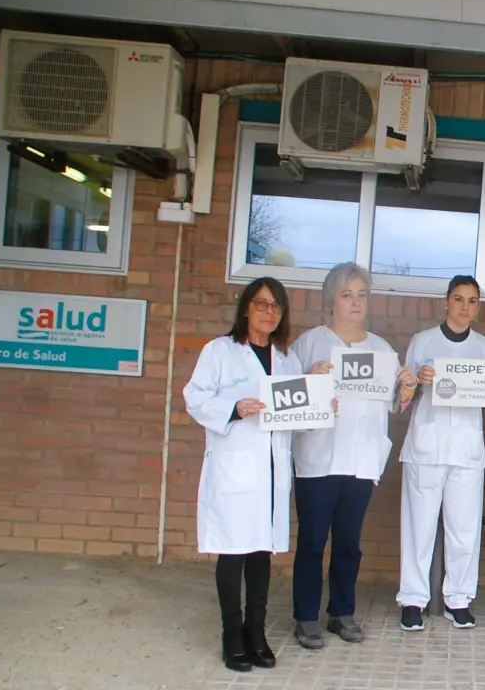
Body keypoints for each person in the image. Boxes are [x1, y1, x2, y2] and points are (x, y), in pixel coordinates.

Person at [287, 263, 416, 649]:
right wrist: (309, 378)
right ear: (331, 301)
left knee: (348, 541)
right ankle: (305, 616)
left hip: (361, 459)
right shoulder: (309, 344)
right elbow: (288, 399)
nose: (356, 302)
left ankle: (341, 612)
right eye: (347, 295)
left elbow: (396, 405)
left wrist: (407, 387)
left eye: (362, 294)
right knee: (312, 541)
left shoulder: (381, 350)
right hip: (318, 459)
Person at [184, 277, 300, 673]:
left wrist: (320, 404)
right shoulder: (219, 351)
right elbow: (194, 397)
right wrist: (234, 409)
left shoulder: (286, 359)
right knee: (233, 551)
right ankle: (231, 634)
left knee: (261, 552)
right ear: (246, 308)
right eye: (262, 304)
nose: (269, 312)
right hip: (234, 467)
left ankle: (256, 632)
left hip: (271, 470)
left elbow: (295, 411)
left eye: (276, 306)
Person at [396, 276, 485, 631]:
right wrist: (417, 379)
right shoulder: (423, 340)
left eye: (472, 301)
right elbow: (404, 395)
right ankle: (413, 599)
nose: (465, 306)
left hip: (466, 449)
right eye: (458, 299)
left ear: (478, 307)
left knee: (464, 530)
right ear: (446, 301)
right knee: (418, 527)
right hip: (426, 446)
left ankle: (458, 599)